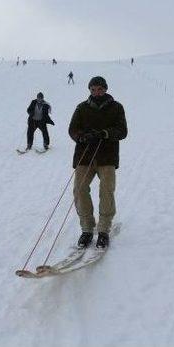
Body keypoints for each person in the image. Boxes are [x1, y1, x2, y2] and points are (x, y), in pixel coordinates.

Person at [68, 76, 127, 249]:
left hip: (106, 157)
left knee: (106, 191)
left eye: (100, 89)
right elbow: (72, 129)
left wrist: (104, 133)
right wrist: (81, 136)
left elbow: (122, 131)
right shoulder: (81, 107)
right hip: (84, 156)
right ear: (90, 90)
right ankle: (87, 229)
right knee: (79, 190)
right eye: (93, 89)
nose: (96, 92)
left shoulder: (116, 107)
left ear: (105, 89)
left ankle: (103, 230)